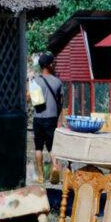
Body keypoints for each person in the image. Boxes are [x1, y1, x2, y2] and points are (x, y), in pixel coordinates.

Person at [31, 53, 64, 184]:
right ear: (49, 65)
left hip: (38, 118)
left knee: (38, 148)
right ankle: (55, 168)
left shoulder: (35, 80)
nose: (55, 64)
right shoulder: (57, 82)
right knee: (52, 147)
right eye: (53, 63)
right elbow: (61, 103)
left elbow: (28, 98)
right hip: (51, 118)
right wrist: (59, 118)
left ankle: (40, 176)